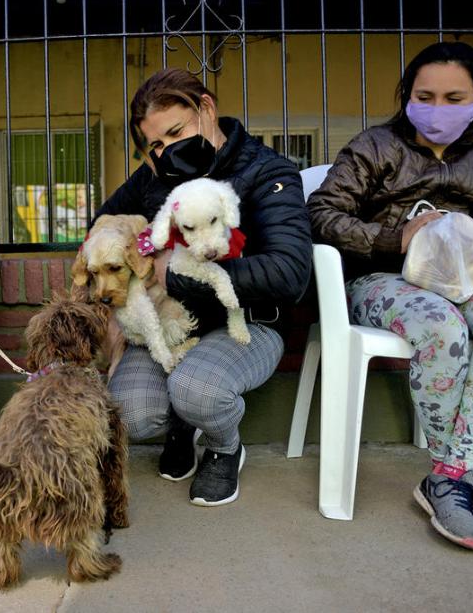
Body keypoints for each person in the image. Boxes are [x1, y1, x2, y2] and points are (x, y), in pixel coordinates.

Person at [307, 41, 473, 550]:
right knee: (442, 326)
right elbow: (322, 214)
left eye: (454, 98)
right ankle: (457, 478)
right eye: (425, 95)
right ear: (407, 96)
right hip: (382, 282)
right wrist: (396, 237)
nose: (439, 109)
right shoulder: (374, 147)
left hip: (465, 281)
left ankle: (450, 473)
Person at [95, 68, 312, 507]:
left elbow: (289, 273)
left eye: (175, 132)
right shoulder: (154, 177)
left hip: (246, 323)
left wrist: (171, 275)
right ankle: (182, 421)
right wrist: (121, 287)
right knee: (131, 415)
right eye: (155, 144)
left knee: (199, 391)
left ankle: (223, 445)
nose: (167, 150)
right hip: (170, 322)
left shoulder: (269, 171)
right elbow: (100, 226)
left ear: (206, 108)